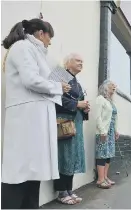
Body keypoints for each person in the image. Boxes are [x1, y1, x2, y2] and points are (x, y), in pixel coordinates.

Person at [1, 19, 70, 209]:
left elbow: (38, 80)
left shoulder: (34, 51)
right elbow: (31, 80)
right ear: (41, 33)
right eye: (50, 38)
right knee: (20, 170)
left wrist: (58, 84)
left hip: (34, 116)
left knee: (33, 171)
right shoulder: (23, 47)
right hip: (27, 117)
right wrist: (58, 86)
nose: (50, 42)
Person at [54, 53, 89, 204]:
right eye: (78, 60)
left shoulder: (76, 80)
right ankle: (62, 192)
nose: (81, 63)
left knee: (73, 156)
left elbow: (79, 100)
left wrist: (85, 109)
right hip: (65, 122)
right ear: (68, 63)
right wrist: (76, 105)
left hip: (76, 123)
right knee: (65, 155)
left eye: (82, 61)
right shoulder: (59, 74)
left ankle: (69, 189)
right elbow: (54, 97)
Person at [95, 80, 119, 189]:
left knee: (108, 154)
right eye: (111, 85)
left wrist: (115, 130)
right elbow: (98, 116)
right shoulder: (100, 99)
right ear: (105, 87)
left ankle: (105, 177)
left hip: (110, 132)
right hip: (103, 131)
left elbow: (114, 117)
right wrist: (102, 131)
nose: (114, 87)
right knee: (102, 154)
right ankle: (100, 180)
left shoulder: (111, 102)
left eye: (115, 86)